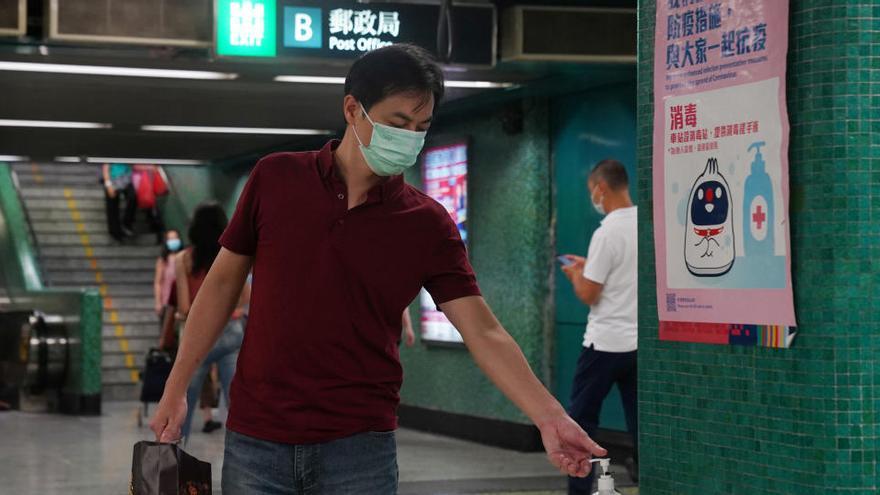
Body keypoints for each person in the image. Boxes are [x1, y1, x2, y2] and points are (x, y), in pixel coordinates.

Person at [151, 44, 605, 494]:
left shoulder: (426, 223)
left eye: (422, 127)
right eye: (398, 123)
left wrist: (549, 416)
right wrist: (177, 384)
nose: (410, 137)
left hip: (360, 450)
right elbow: (221, 285)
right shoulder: (275, 178)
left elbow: (483, 331)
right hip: (258, 442)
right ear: (353, 109)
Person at [560, 159, 638, 494]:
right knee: (641, 425)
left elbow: (590, 294)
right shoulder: (645, 224)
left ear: (600, 188)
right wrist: (589, 266)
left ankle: (579, 491)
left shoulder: (606, 232)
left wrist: (577, 274)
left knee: (581, 423)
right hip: (639, 345)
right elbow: (623, 274)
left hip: (604, 344)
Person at [167, 202, 249, 440]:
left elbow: (183, 307)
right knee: (239, 407)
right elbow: (246, 295)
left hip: (198, 339)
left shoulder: (183, 259)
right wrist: (229, 312)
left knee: (183, 405)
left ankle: (177, 464)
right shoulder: (231, 257)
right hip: (231, 334)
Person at [101, 163, 135, 241]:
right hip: (112, 180)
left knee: (133, 199)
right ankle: (115, 232)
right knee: (112, 208)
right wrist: (108, 184)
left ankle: (126, 225)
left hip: (127, 179)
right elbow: (105, 168)